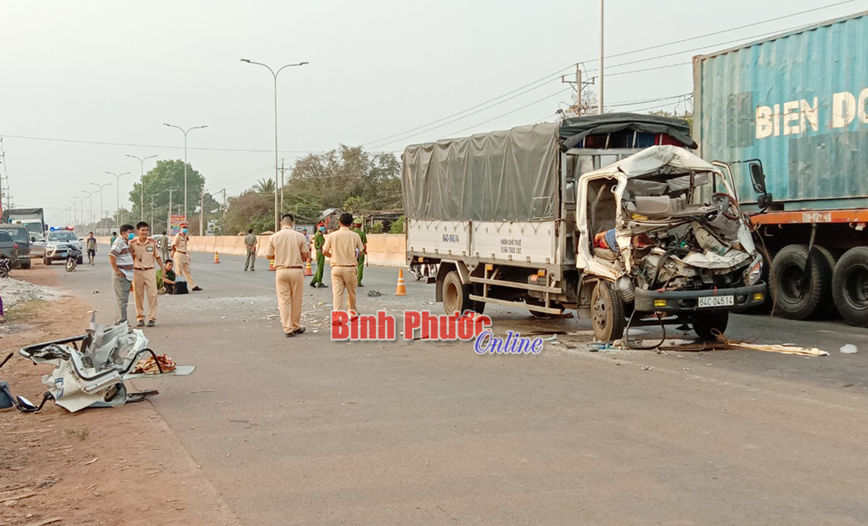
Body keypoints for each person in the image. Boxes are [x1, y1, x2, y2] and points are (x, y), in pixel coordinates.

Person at [265, 214, 310, 337]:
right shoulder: (300, 236)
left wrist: (279, 255)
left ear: (281, 223)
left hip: (281, 271)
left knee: (283, 300)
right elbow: (306, 255)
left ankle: (287, 328)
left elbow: (268, 255)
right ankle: (295, 325)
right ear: (292, 223)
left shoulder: (274, 237)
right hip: (296, 270)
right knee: (296, 299)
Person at [322, 213, 364, 318]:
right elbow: (361, 251)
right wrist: (354, 257)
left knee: (337, 293)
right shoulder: (355, 235)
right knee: (351, 292)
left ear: (339, 223)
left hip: (336, 267)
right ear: (351, 224)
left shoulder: (332, 235)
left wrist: (333, 256)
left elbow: (324, 251)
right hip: (350, 268)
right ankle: (352, 313)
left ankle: (337, 316)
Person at [130, 221, 163, 327]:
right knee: (138, 295)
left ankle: (152, 317)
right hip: (137, 271)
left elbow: (157, 257)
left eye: (147, 230)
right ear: (138, 231)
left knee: (153, 294)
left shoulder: (152, 243)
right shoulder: (133, 244)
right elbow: (130, 258)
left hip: (150, 270)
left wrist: (163, 269)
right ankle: (140, 317)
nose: (145, 232)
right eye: (142, 230)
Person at [109, 224, 136, 326]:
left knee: (122, 300)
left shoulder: (125, 242)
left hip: (126, 275)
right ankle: (122, 323)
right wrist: (117, 270)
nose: (132, 234)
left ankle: (120, 322)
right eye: (130, 233)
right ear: (123, 233)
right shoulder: (119, 242)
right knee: (122, 301)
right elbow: (112, 255)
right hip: (121, 275)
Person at [171, 222, 202, 292]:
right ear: (181, 228)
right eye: (184, 228)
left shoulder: (185, 236)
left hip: (184, 254)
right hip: (179, 253)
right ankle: (177, 286)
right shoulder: (178, 236)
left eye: (186, 228)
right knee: (178, 271)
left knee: (188, 271)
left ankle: (193, 286)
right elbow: (173, 245)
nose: (185, 229)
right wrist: (174, 252)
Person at [310, 224, 328, 288]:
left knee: (319, 267)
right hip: (320, 251)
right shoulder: (319, 235)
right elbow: (323, 243)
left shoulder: (317, 234)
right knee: (320, 268)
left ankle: (313, 281)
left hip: (318, 251)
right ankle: (319, 282)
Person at [352, 218, 368, 287]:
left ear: (354, 225)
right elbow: (364, 244)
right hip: (360, 251)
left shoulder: (351, 233)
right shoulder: (362, 233)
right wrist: (365, 251)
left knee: (351, 266)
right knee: (360, 266)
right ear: (361, 225)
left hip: (352, 252)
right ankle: (358, 281)